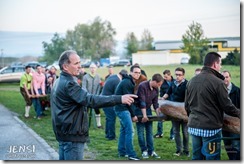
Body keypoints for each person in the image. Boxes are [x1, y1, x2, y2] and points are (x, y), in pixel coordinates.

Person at [51, 50, 137, 160]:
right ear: (65, 66)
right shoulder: (69, 83)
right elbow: (90, 100)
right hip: (72, 135)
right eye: (76, 63)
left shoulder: (59, 81)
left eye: (79, 63)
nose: (80, 66)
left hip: (64, 133)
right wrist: (119, 98)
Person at [185, 52, 240, 160]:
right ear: (215, 64)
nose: (220, 67)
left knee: (197, 157)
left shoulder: (191, 81)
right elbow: (227, 107)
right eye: (220, 64)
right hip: (210, 129)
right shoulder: (219, 83)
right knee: (212, 158)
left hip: (193, 126)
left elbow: (187, 106)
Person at [114, 65, 141, 160]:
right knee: (130, 131)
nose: (137, 74)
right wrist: (133, 115)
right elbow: (128, 101)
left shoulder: (130, 81)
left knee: (124, 130)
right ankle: (131, 155)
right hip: (122, 109)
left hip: (121, 108)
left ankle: (122, 151)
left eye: (139, 72)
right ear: (131, 73)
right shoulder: (127, 83)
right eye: (135, 72)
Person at [162, 67, 189, 157]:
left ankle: (186, 150)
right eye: (176, 74)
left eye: (179, 75)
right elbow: (167, 93)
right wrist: (161, 99)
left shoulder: (187, 84)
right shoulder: (173, 83)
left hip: (184, 112)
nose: (177, 76)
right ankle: (179, 150)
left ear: (183, 75)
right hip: (174, 111)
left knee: (185, 132)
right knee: (176, 132)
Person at [135, 73, 163, 159]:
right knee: (140, 132)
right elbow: (142, 102)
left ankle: (151, 151)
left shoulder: (156, 89)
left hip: (148, 109)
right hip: (139, 110)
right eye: (158, 84)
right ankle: (144, 150)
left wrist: (159, 116)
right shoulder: (142, 86)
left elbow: (155, 103)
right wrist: (144, 116)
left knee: (149, 132)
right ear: (154, 81)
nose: (159, 86)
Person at [101, 69, 128, 140]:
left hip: (103, 100)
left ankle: (107, 134)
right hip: (108, 101)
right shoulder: (117, 81)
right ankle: (111, 136)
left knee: (108, 118)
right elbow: (117, 94)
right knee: (111, 119)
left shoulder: (112, 76)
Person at [221, 70, 240, 160]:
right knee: (227, 144)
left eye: (227, 77)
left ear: (230, 77)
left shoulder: (238, 91)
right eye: (223, 77)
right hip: (223, 123)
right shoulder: (219, 92)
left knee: (236, 144)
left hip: (235, 123)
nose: (225, 79)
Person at [154, 69, 174, 140]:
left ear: (170, 75)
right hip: (165, 103)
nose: (164, 78)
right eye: (164, 77)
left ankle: (172, 135)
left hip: (173, 103)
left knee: (173, 120)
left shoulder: (174, 82)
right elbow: (162, 93)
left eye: (166, 77)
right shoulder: (163, 84)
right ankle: (159, 133)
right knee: (160, 118)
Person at [82, 63, 102, 128]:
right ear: (89, 69)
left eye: (94, 68)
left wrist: (97, 95)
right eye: (91, 68)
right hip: (87, 96)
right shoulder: (85, 77)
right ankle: (85, 124)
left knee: (97, 110)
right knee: (86, 110)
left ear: (96, 69)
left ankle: (99, 124)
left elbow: (99, 86)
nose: (92, 69)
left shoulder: (98, 76)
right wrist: (87, 95)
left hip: (95, 96)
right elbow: (84, 87)